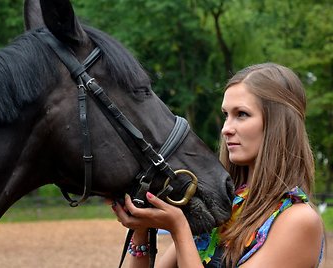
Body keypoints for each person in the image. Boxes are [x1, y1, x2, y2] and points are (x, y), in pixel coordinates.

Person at [112, 62, 325, 268]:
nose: (226, 129)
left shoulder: (297, 220)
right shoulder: (223, 206)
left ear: (278, 124)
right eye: (226, 115)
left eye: (241, 114)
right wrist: (142, 232)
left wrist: (179, 228)